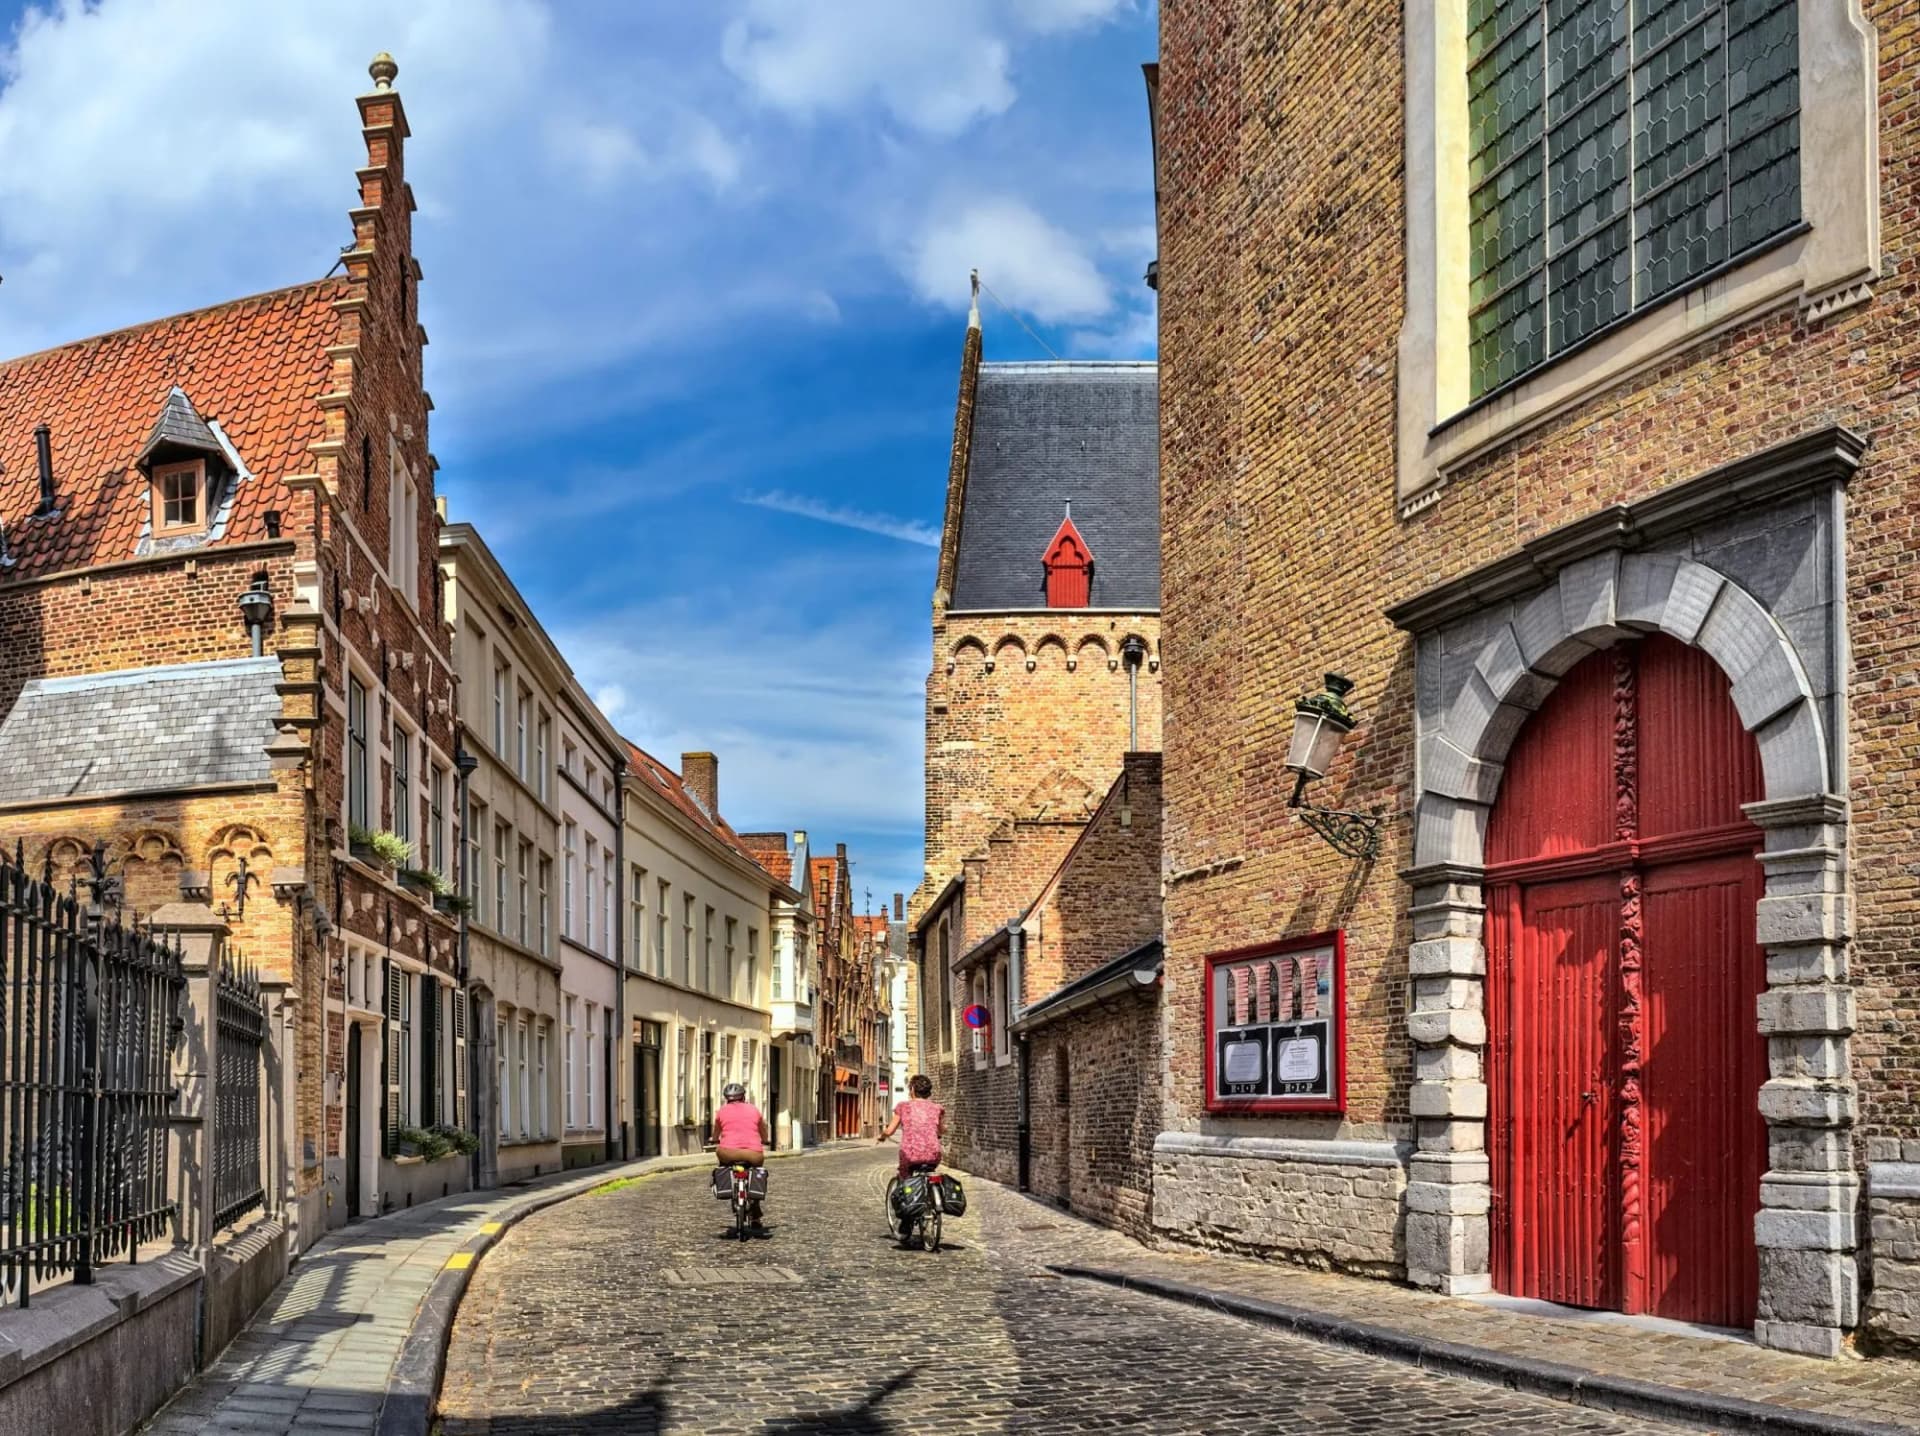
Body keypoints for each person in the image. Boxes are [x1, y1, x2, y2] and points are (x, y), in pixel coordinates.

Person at [712, 1082, 770, 1226]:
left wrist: (713, 1139)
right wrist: (765, 1140)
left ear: (727, 1098)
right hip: (753, 1154)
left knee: (722, 1159)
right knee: (755, 1172)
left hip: (728, 1153)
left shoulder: (721, 1111)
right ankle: (755, 1214)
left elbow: (716, 1133)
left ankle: (723, 1183)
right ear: (743, 1096)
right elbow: (762, 1130)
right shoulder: (754, 1110)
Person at [878, 1074, 946, 1178]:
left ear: (913, 1089)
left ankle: (905, 1188)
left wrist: (882, 1137)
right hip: (934, 1155)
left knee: (905, 1176)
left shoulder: (903, 1107)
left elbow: (889, 1131)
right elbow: (941, 1130)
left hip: (911, 1155)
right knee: (930, 1173)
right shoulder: (937, 1108)